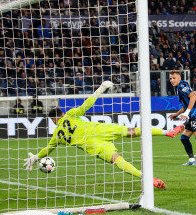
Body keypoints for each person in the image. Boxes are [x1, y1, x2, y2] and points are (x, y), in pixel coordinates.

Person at [24, 81, 183, 189]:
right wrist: (100, 89)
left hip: (93, 146)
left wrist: (36, 157)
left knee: (117, 159)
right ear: (62, 113)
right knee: (132, 131)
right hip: (99, 129)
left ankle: (147, 178)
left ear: (53, 120)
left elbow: (47, 150)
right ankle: (167, 132)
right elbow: (86, 105)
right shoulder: (70, 114)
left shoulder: (56, 136)